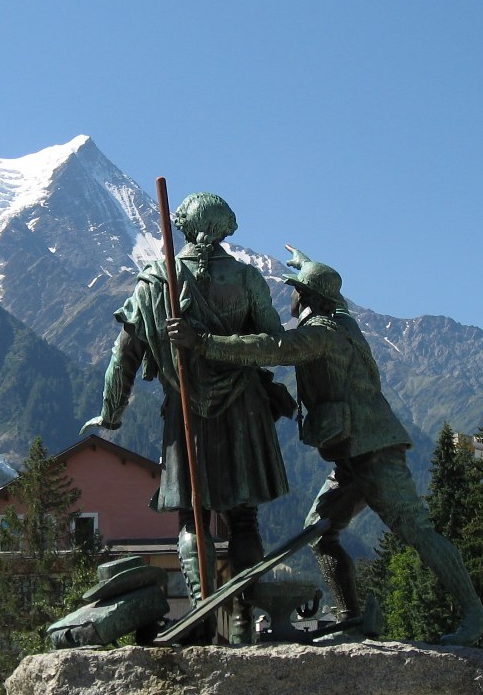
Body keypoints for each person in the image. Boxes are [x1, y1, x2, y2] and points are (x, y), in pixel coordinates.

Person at [166, 245, 483, 646]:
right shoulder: (343, 322)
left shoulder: (320, 335)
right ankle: (351, 619)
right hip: (351, 458)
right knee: (321, 531)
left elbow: (269, 348)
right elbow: (333, 298)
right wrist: (308, 266)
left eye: (295, 289)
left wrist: (202, 342)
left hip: (371, 453)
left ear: (306, 297)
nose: (288, 294)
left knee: (418, 531)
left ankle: (476, 614)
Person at [82, 192, 293, 643]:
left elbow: (125, 356)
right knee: (243, 517)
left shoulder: (157, 282)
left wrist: (110, 413)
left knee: (191, 518)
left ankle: (202, 611)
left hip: (186, 413)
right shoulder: (248, 278)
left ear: (187, 227)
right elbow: (275, 345)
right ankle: (241, 614)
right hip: (245, 408)